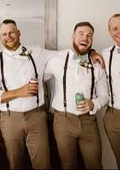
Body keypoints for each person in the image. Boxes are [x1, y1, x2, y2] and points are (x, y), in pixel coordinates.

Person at [0, 19, 52, 170]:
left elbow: (61, 56)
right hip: (10, 119)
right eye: (4, 34)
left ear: (19, 33)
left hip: (37, 117)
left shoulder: (36, 52)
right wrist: (20, 91)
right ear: (0, 37)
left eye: (11, 32)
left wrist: (91, 53)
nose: (8, 37)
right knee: (15, 164)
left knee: (43, 163)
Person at [44, 21, 109, 169]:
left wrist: (94, 103)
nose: (85, 38)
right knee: (68, 166)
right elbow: (37, 73)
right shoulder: (56, 60)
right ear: (73, 36)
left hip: (89, 122)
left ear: (92, 40)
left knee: (95, 165)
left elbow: (104, 96)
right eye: (81, 34)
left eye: (89, 35)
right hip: (63, 121)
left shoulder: (98, 65)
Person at [102, 14, 120, 168]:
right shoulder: (105, 54)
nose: (118, 31)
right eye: (115, 28)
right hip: (114, 116)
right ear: (110, 31)